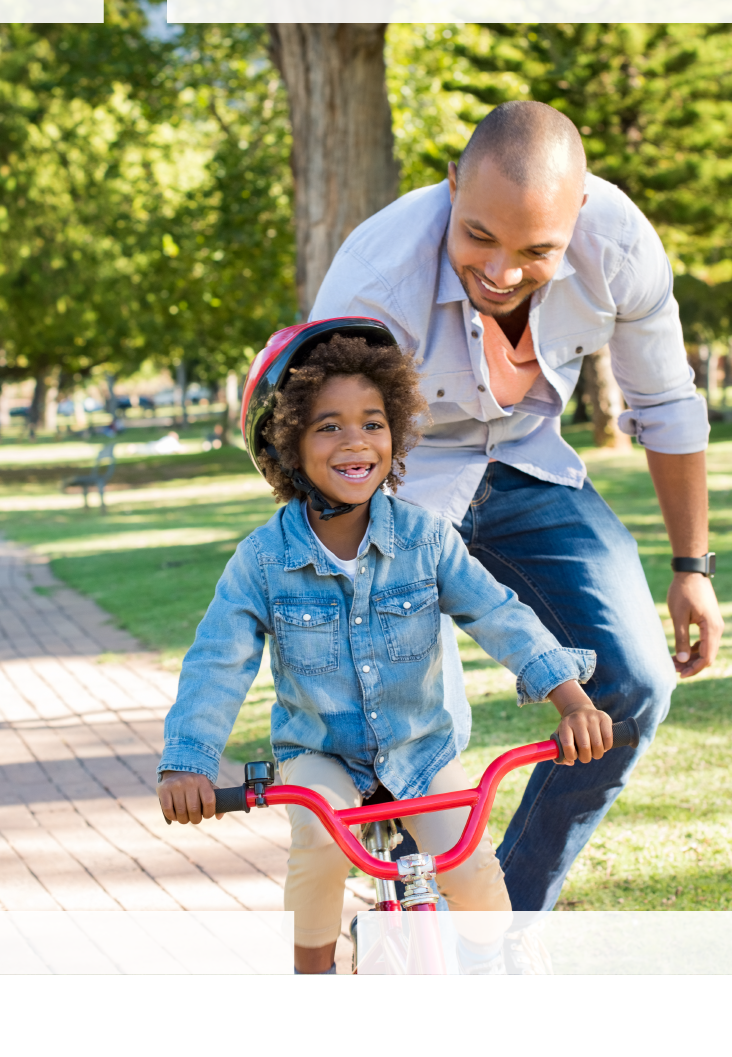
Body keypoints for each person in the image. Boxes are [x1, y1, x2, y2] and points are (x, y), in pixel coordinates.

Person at [308, 100, 727, 914]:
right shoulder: (375, 280)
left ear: (578, 214)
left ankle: (504, 920)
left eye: (537, 251)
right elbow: (326, 453)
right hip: (398, 483)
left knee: (634, 684)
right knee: (415, 720)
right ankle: (412, 907)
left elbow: (667, 403)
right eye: (478, 238)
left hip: (530, 465)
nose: (501, 271)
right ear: (452, 185)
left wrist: (692, 568)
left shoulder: (621, 247)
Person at [155, 320, 615, 974]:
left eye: (373, 422)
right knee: (317, 842)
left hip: (420, 750)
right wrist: (188, 764)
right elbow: (217, 662)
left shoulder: (426, 539)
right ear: (285, 446)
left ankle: (486, 974)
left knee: (475, 868)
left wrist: (570, 700)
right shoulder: (262, 561)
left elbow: (497, 613)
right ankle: (312, 979)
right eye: (328, 426)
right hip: (322, 757)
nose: (356, 442)